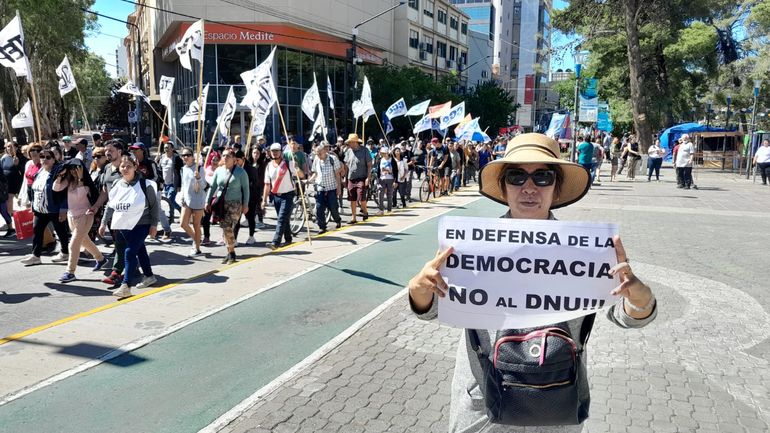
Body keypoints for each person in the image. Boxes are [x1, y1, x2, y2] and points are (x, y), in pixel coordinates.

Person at [408, 133, 657, 433]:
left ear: (556, 187)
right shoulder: (468, 245)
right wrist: (419, 291)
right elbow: (432, 308)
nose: (528, 187)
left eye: (542, 177)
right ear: (503, 186)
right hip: (482, 404)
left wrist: (640, 298)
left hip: (556, 402)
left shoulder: (587, 250)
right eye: (516, 176)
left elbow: (623, 315)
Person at [100, 153, 160, 297]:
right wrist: (103, 223)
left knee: (129, 252)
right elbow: (110, 205)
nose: (125, 168)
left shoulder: (145, 185)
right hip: (124, 226)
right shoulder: (117, 184)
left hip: (142, 225)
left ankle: (126, 285)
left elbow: (154, 206)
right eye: (123, 166)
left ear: (135, 167)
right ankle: (149, 276)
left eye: (129, 166)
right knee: (140, 250)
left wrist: (154, 225)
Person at [52, 159, 107, 282]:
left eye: (76, 168)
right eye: (71, 169)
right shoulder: (68, 181)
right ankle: (100, 258)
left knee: (74, 244)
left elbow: (80, 195)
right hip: (72, 216)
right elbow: (56, 188)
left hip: (85, 215)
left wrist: (81, 179)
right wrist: (60, 176)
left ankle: (70, 272)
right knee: (84, 241)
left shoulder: (86, 183)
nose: (73, 171)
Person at [20, 148, 70, 266]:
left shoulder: (58, 173)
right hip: (40, 209)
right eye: (42, 157)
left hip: (54, 209)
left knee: (61, 231)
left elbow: (64, 193)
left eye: (48, 157)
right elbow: (33, 189)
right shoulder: (39, 172)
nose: (44, 160)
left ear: (53, 159)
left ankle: (65, 252)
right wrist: (32, 204)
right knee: (37, 231)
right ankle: (36, 256)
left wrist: (63, 209)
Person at [205, 148, 249, 264]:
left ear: (234, 159)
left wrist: (245, 204)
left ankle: (231, 253)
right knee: (226, 228)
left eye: (228, 156)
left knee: (227, 227)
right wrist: (207, 201)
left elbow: (246, 189)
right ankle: (230, 252)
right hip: (221, 203)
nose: (225, 158)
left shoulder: (241, 172)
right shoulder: (219, 171)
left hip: (235, 204)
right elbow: (213, 186)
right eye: (223, 156)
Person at [262, 142, 301, 249]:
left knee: (281, 218)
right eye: (272, 151)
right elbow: (267, 184)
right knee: (284, 218)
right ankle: (288, 238)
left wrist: (297, 168)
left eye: (277, 151)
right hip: (276, 196)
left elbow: (300, 175)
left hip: (288, 195)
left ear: (281, 152)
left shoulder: (289, 164)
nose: (274, 153)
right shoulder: (269, 166)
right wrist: (264, 200)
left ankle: (276, 242)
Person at [308, 141, 343, 234]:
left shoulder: (333, 159)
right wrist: (309, 181)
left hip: (331, 187)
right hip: (320, 188)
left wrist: (339, 188)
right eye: (317, 154)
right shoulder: (316, 159)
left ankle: (338, 220)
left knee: (333, 207)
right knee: (319, 208)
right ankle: (322, 226)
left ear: (324, 151)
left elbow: (337, 174)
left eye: (319, 153)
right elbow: (315, 173)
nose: (318, 155)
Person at [178, 147, 207, 257]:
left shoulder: (199, 168)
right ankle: (197, 239)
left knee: (196, 225)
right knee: (183, 224)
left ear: (192, 156)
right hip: (187, 200)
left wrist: (199, 178)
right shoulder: (183, 169)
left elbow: (204, 185)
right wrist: (182, 196)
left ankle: (197, 248)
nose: (185, 157)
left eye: (188, 155)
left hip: (198, 200)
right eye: (183, 155)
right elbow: (183, 185)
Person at [343, 134, 372, 224]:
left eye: (350, 142)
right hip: (351, 178)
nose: (349, 144)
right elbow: (346, 166)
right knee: (352, 198)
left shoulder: (364, 150)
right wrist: (344, 177)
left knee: (361, 197)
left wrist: (368, 178)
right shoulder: (348, 151)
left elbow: (369, 165)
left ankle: (365, 211)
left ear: (355, 142)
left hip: (361, 178)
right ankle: (353, 217)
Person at [158, 140, 183, 225]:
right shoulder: (161, 157)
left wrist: (179, 184)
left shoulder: (176, 158)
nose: (166, 149)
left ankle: (171, 217)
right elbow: (159, 170)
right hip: (165, 184)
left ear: (172, 148)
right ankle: (180, 210)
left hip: (173, 183)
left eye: (168, 148)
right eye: (165, 148)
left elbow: (180, 172)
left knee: (170, 199)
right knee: (170, 200)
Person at [2, 140, 27, 216]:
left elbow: (24, 170)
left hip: (17, 182)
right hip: (7, 182)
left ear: (16, 148)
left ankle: (27, 215)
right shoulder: (4, 157)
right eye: (8, 146)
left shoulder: (21, 157)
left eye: (11, 146)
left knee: (22, 200)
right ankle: (10, 215)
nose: (9, 148)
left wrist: (18, 164)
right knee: (8, 200)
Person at [374, 146, 396, 215]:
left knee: (389, 195)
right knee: (380, 194)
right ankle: (381, 210)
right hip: (382, 179)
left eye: (384, 153)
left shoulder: (392, 160)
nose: (383, 154)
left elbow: (396, 171)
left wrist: (395, 181)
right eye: (382, 153)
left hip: (390, 179)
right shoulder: (380, 160)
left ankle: (389, 209)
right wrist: (378, 179)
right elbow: (378, 170)